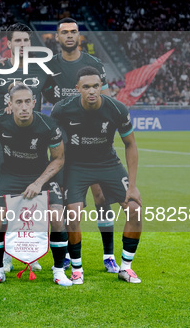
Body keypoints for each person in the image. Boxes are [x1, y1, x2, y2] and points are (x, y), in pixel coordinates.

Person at [0, 22, 56, 272]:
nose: (22, 45)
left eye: (26, 41)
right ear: (8, 44)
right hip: (5, 145)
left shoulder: (42, 71)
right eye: (17, 41)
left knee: (35, 199)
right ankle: (8, 253)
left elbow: (55, 99)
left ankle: (31, 251)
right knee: (7, 199)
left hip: (36, 144)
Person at [51, 66, 142, 284]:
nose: (91, 91)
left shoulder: (117, 109)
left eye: (95, 86)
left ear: (101, 87)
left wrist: (132, 185)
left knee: (135, 209)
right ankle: (77, 268)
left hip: (107, 163)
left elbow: (130, 145)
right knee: (72, 214)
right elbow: (54, 146)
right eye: (86, 87)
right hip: (76, 165)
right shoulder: (62, 110)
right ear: (77, 88)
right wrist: (59, 179)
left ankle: (126, 267)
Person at [44, 17, 119, 273]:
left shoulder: (94, 64)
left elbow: (107, 99)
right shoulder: (48, 66)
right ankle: (67, 255)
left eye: (73, 32)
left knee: (101, 197)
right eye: (64, 32)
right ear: (57, 37)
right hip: (63, 145)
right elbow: (36, 95)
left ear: (79, 35)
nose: (69, 35)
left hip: (94, 143)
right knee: (68, 203)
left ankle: (108, 255)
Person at [0, 83, 71, 286]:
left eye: (28, 102)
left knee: (57, 216)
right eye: (18, 102)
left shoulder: (48, 126)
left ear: (34, 103)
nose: (23, 107)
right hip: (10, 175)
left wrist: (38, 183)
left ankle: (58, 271)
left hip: (40, 176)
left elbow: (58, 160)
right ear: (9, 104)